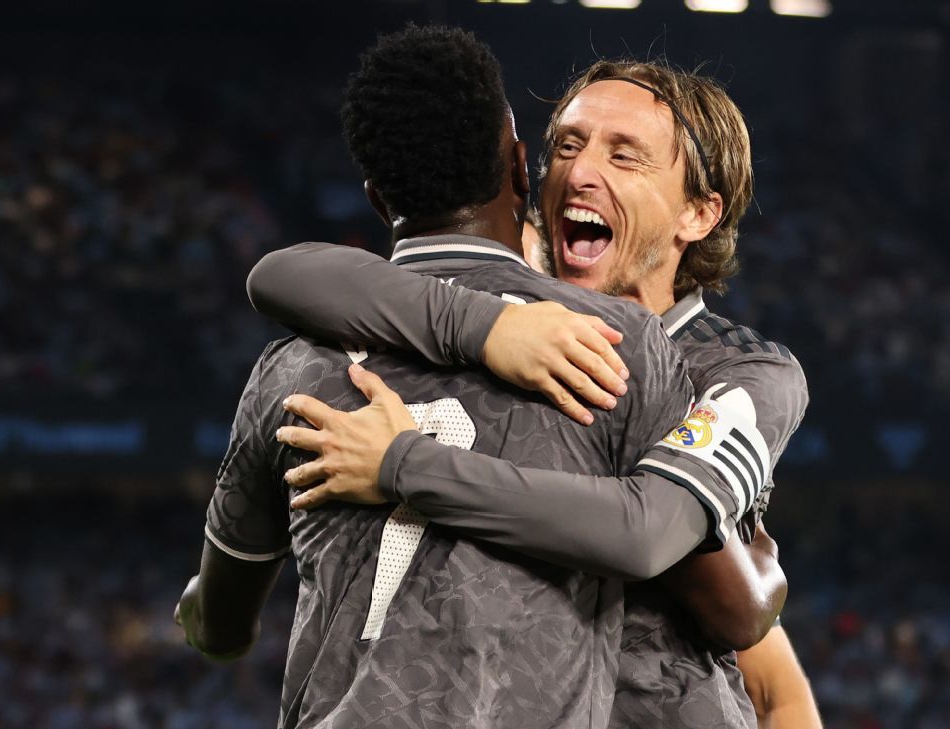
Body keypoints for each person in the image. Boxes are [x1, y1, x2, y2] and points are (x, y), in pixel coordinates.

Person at [175, 26, 768, 729]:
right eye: (568, 147)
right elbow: (724, 602)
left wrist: (201, 612)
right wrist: (757, 565)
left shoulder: (292, 367)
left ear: (376, 198)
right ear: (521, 168)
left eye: (622, 155)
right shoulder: (616, 347)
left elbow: (221, 622)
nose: (582, 172)